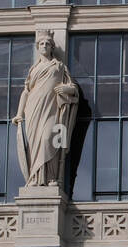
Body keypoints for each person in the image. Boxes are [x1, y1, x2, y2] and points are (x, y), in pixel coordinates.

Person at [12, 29, 80, 187]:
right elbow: (26, 92)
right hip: (33, 109)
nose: (44, 46)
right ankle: (36, 178)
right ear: (37, 47)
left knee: (50, 138)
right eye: (41, 43)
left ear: (52, 47)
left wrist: (67, 89)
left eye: (47, 44)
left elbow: (74, 88)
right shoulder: (33, 69)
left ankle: (51, 177)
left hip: (53, 109)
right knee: (35, 144)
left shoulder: (59, 66)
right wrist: (18, 114)